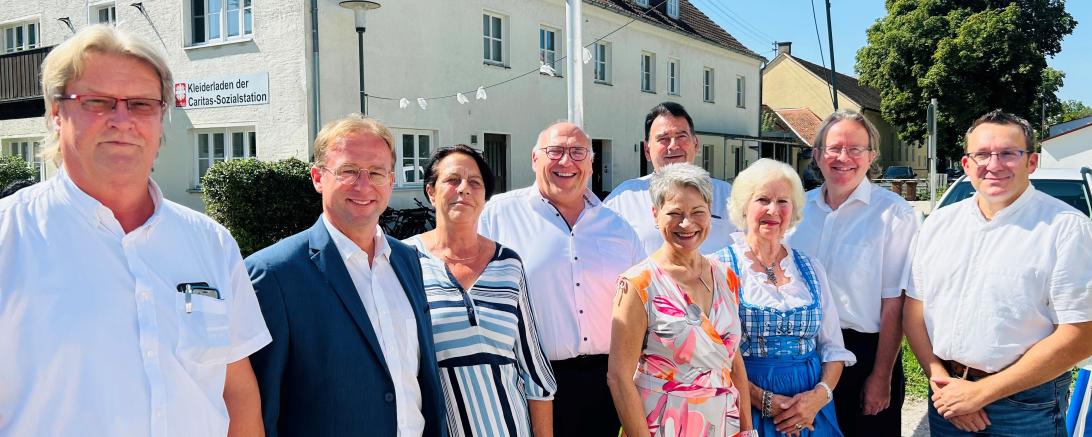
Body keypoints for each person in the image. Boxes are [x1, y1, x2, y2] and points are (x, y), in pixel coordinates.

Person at [0, 25, 270, 436]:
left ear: (161, 117)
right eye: (98, 102)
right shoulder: (10, 236)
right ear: (56, 112)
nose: (122, 120)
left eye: (142, 104)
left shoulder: (210, 242)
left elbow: (237, 393)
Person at [245, 115, 446, 437]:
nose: (363, 185)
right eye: (348, 171)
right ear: (317, 177)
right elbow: (255, 411)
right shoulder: (274, 275)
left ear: (391, 180)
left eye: (376, 172)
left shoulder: (408, 260)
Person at [905, 109, 1092, 436]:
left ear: (1031, 162)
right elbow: (915, 309)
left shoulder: (1066, 229)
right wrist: (940, 379)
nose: (994, 165)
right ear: (966, 164)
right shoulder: (939, 224)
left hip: (1024, 406)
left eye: (1008, 153)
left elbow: (1082, 334)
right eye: (982, 154)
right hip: (947, 395)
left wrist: (981, 393)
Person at [479, 121, 644, 436]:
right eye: (554, 151)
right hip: (528, 381)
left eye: (578, 152)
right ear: (534, 159)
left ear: (591, 163)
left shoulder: (618, 227)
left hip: (606, 383)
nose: (566, 161)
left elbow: (643, 303)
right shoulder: (497, 216)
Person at [403, 144, 557, 437]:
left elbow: (534, 369)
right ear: (431, 191)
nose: (464, 189)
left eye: (475, 183)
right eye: (452, 180)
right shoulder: (404, 260)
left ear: (485, 198)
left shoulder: (508, 264)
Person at [786, 110, 918, 437]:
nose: (843, 158)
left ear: (871, 156)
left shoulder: (894, 214)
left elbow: (895, 304)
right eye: (834, 148)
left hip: (865, 356)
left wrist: (881, 376)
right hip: (802, 353)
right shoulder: (796, 209)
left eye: (855, 149)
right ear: (817, 155)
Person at [608, 163, 757, 437]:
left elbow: (733, 361)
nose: (687, 224)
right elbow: (618, 378)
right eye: (675, 213)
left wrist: (748, 430)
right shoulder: (638, 285)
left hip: (725, 423)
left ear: (710, 213)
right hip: (662, 425)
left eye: (697, 212)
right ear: (655, 215)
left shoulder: (726, 276)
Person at [714, 158, 855, 437]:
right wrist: (760, 399)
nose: (773, 210)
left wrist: (818, 397)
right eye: (762, 200)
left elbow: (833, 348)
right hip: (744, 406)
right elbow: (710, 356)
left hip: (810, 411)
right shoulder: (718, 268)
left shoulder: (810, 268)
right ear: (744, 206)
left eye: (782, 202)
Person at [605, 102, 735, 255]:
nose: (673, 146)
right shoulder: (624, 199)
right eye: (663, 138)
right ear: (647, 150)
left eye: (681, 136)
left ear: (696, 144)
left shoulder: (727, 196)